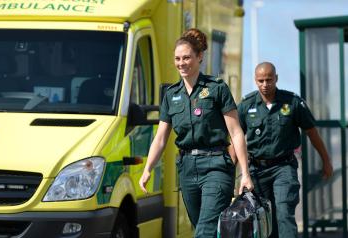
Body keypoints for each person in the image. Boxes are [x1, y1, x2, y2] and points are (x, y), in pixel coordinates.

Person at [139, 28, 254, 238]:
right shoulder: (171, 95)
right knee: (202, 228)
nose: (181, 63)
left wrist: (245, 173)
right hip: (187, 170)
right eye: (177, 58)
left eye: (186, 57)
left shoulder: (217, 88)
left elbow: (236, 132)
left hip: (216, 166)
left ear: (199, 57)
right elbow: (161, 137)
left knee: (204, 231)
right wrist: (148, 168)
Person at [237, 62, 333, 238]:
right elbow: (236, 139)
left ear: (276, 79)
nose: (265, 84)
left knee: (284, 212)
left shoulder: (292, 102)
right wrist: (231, 171)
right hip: (257, 169)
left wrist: (326, 161)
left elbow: (312, 133)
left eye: (269, 80)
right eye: (261, 81)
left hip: (284, 168)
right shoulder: (246, 105)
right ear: (255, 81)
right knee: (262, 218)